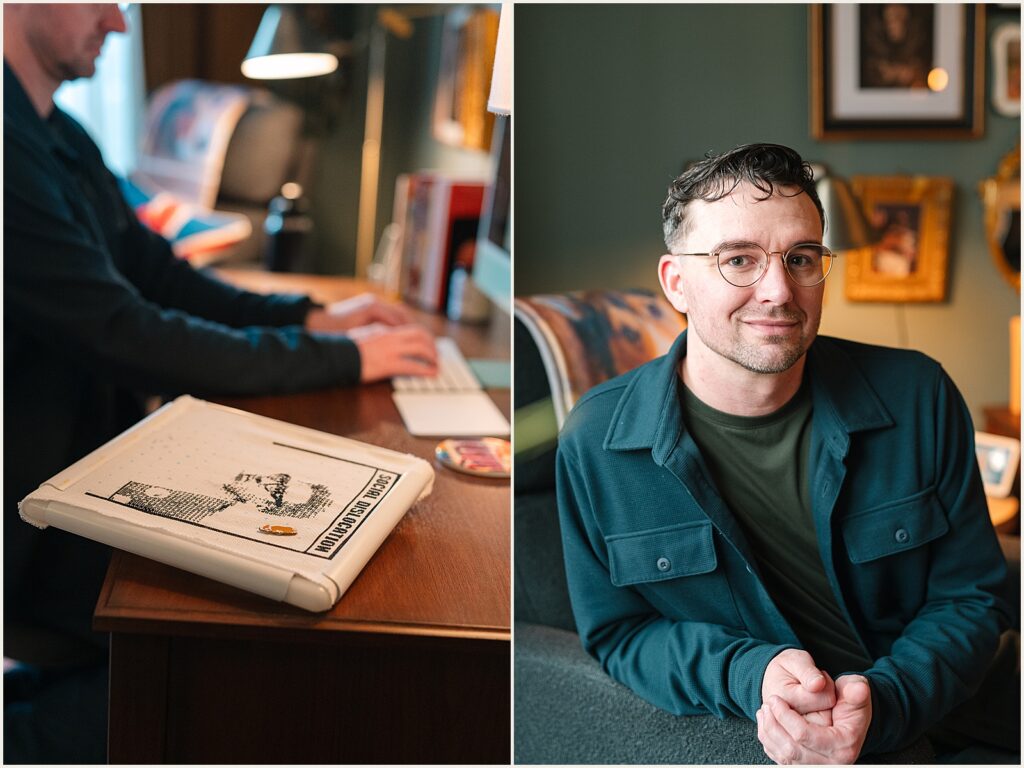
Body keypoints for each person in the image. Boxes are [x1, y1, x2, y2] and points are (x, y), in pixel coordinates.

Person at [3, 5, 437, 762]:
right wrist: (345, 361)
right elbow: (122, 333)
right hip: (30, 503)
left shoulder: (55, 134)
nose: (119, 22)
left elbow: (162, 279)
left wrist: (313, 319)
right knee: (221, 668)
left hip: (79, 464)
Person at [556, 143, 1017, 763]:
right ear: (677, 283)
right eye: (738, 259)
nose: (778, 290)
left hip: (947, 728)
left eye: (801, 258)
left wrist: (883, 701)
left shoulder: (918, 394)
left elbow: (971, 597)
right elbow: (619, 633)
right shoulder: (596, 441)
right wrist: (748, 673)